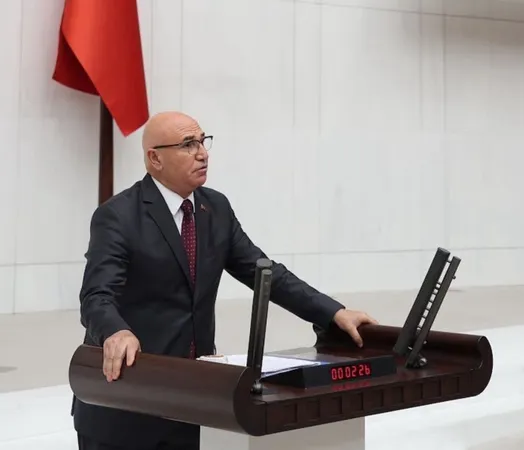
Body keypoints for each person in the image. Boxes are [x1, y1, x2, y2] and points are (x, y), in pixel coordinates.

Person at [72, 111, 378, 450]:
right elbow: (96, 296)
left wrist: (333, 312)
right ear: (155, 158)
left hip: (195, 403)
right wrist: (115, 331)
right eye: (188, 144)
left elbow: (265, 273)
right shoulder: (118, 216)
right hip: (126, 406)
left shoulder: (215, 208)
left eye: (203, 141)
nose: (202, 153)